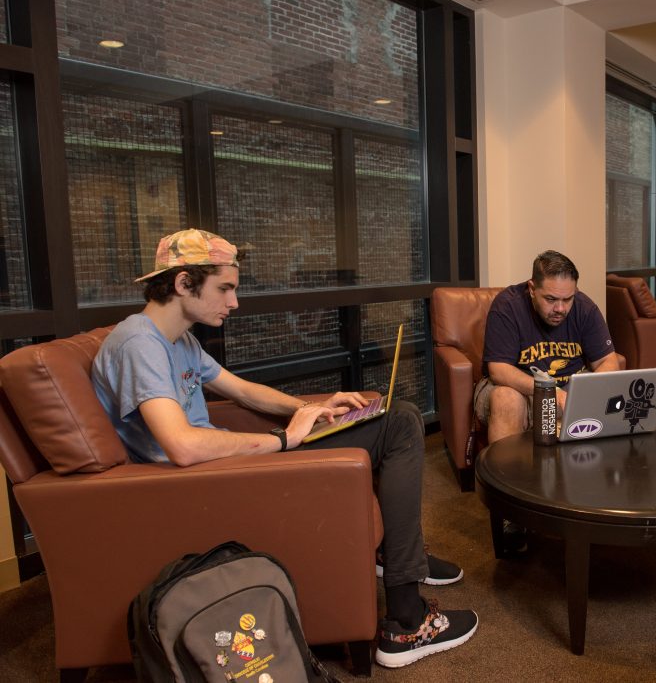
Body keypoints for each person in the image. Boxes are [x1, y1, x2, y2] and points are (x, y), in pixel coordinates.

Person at [91, 229, 477, 669]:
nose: (234, 302)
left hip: (228, 467)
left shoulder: (180, 340)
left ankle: (396, 556)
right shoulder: (140, 343)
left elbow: (243, 392)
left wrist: (313, 407)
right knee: (402, 425)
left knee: (390, 415)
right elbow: (181, 445)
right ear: (183, 283)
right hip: (204, 482)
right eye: (225, 288)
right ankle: (407, 620)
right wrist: (284, 438)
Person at [475, 250, 620, 444]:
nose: (560, 308)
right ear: (532, 289)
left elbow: (607, 360)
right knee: (506, 400)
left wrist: (586, 393)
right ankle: (507, 473)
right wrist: (550, 390)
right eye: (551, 299)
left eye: (568, 299)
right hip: (519, 388)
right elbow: (499, 370)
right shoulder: (507, 306)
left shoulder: (585, 308)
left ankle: (580, 471)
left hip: (569, 387)